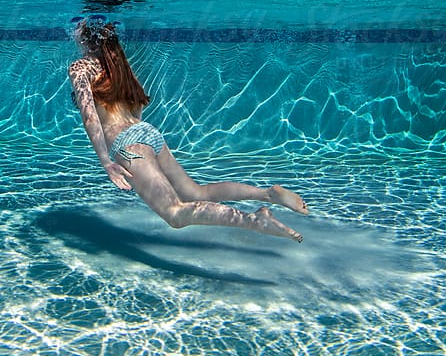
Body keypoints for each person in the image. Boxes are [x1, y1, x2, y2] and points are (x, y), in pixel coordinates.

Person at [68, 17, 309, 242]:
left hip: (127, 145)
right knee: (196, 193)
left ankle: (255, 220)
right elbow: (138, 104)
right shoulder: (119, 66)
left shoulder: (80, 68)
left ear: (85, 39)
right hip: (146, 132)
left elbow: (90, 116)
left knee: (175, 213)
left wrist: (106, 162)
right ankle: (268, 194)